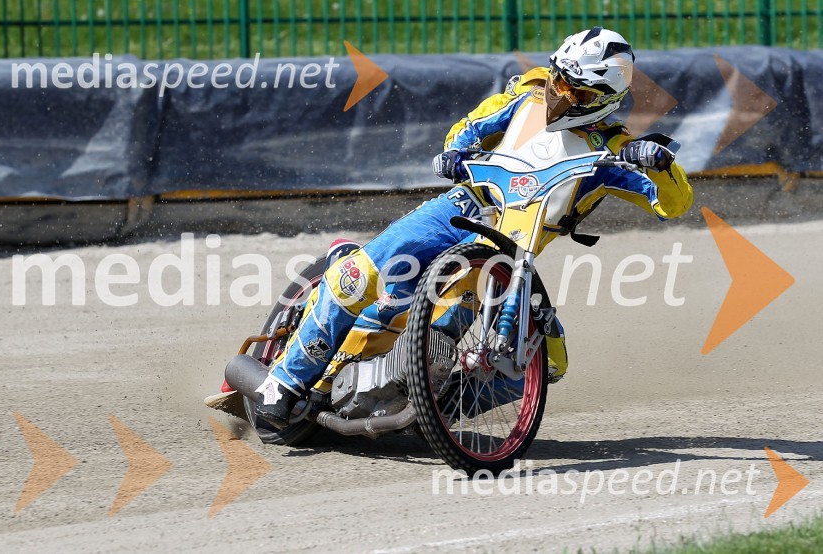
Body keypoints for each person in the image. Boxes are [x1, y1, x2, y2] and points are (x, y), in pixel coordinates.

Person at [255, 27, 693, 427]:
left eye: (571, 90)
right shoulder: (528, 94)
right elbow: (469, 128)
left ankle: (434, 412)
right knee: (358, 277)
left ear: (602, 98)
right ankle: (286, 381)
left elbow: (674, 205)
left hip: (507, 256)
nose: (557, 94)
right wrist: (456, 153)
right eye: (558, 79)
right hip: (460, 207)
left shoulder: (615, 151)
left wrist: (660, 163)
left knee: (548, 363)